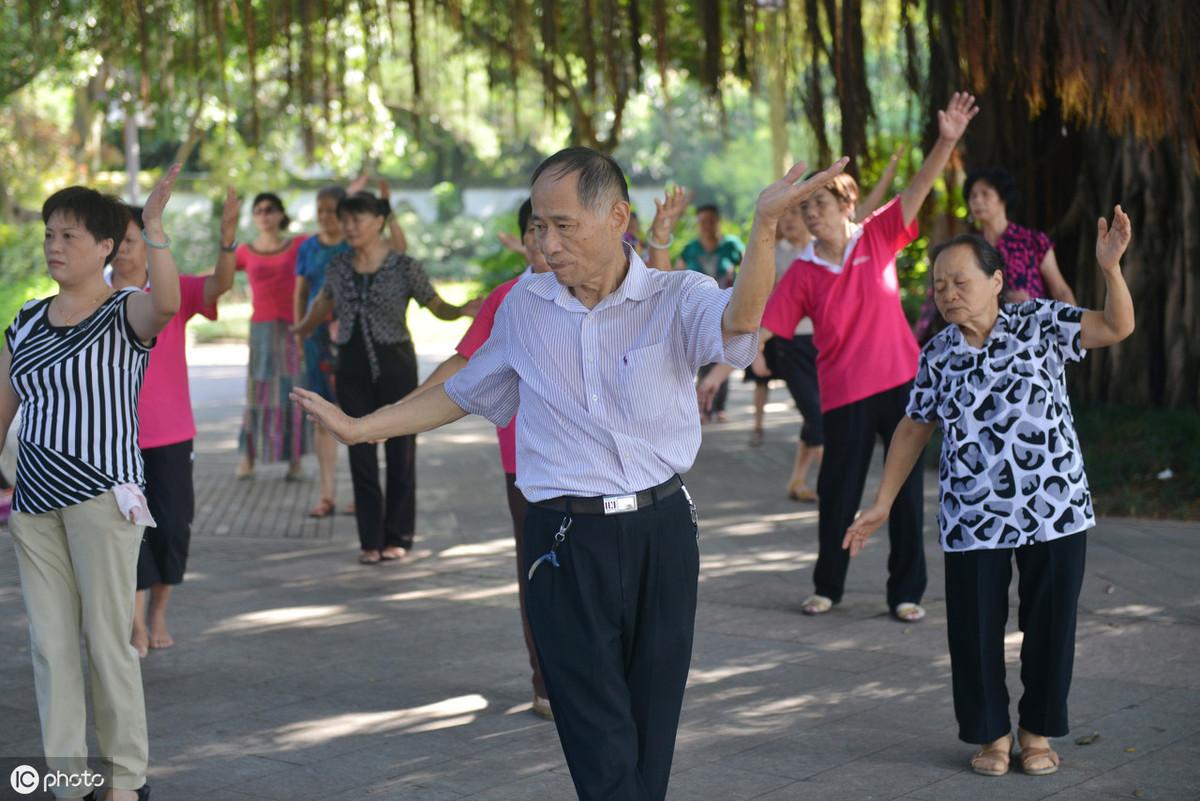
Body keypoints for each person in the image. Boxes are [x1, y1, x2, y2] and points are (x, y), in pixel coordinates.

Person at [291, 147, 848, 801]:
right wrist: (363, 427)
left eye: (563, 226)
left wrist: (763, 227)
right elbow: (462, 390)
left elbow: (741, 322)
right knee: (594, 730)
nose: (547, 244)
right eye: (538, 227)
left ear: (617, 217)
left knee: (651, 722)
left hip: (661, 531)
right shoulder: (524, 307)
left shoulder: (676, 296)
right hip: (561, 539)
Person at [844, 207, 1134, 777]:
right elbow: (913, 428)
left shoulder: (1040, 322)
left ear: (997, 280)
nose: (948, 294)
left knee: (1051, 625)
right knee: (974, 629)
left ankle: (1036, 732)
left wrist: (1111, 269)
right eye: (939, 286)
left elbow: (1116, 326)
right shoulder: (937, 354)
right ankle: (992, 735)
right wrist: (882, 502)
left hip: (1055, 506)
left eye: (960, 281)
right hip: (973, 516)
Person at [703, 93, 980, 622]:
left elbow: (918, 189)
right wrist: (717, 373)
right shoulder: (803, 272)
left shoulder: (877, 235)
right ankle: (828, 585)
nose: (811, 214)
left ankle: (906, 592)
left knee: (904, 495)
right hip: (845, 394)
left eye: (820, 204)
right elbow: (764, 329)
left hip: (902, 385)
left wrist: (947, 140)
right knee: (837, 492)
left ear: (847, 204)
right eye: (805, 207)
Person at [1, 166, 185, 801]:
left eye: (70, 235)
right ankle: (70, 784)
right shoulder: (25, 320)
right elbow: (4, 409)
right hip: (33, 506)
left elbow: (168, 304)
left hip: (102, 499)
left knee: (108, 644)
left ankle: (124, 781)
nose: (55, 246)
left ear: (105, 246)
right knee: (50, 649)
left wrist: (153, 228)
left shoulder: (124, 311)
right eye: (49, 234)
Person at [292, 190, 479, 564]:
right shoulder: (338, 266)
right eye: (345, 219)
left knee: (400, 451)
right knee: (359, 450)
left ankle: (398, 537)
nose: (349, 226)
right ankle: (370, 541)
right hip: (350, 365)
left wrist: (462, 310)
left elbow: (435, 304)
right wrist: (300, 330)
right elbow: (322, 303)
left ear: (379, 221)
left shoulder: (405, 266)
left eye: (357, 219)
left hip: (396, 366)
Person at [109, 191, 239, 658]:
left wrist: (228, 241)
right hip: (113, 439)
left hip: (170, 433)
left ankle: (159, 613)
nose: (122, 250)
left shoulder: (170, 291)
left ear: (150, 243)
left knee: (171, 528)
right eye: (115, 241)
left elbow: (219, 285)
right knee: (126, 532)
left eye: (130, 240)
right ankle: (135, 622)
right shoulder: (95, 295)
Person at [915, 167, 1077, 343]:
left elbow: (1060, 290)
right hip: (979, 340)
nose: (977, 200)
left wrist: (1074, 332)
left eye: (985, 194)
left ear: (1003, 198)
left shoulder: (1033, 241)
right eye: (973, 196)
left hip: (1032, 335)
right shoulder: (965, 250)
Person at [236, 192, 309, 479]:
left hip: (293, 329)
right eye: (258, 211)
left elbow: (330, 244)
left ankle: (295, 463)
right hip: (261, 330)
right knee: (258, 391)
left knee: (293, 391)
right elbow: (219, 274)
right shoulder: (245, 251)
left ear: (280, 214)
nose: (264, 215)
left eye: (269, 210)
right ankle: (248, 460)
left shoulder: (299, 245)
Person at [681, 204, 745, 422]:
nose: (707, 225)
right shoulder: (690, 249)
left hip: (726, 311)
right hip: (698, 312)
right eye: (702, 221)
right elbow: (676, 273)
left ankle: (719, 407)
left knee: (721, 357)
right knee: (702, 360)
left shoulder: (731, 245)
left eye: (711, 221)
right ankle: (702, 408)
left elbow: (749, 268)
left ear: (718, 221)